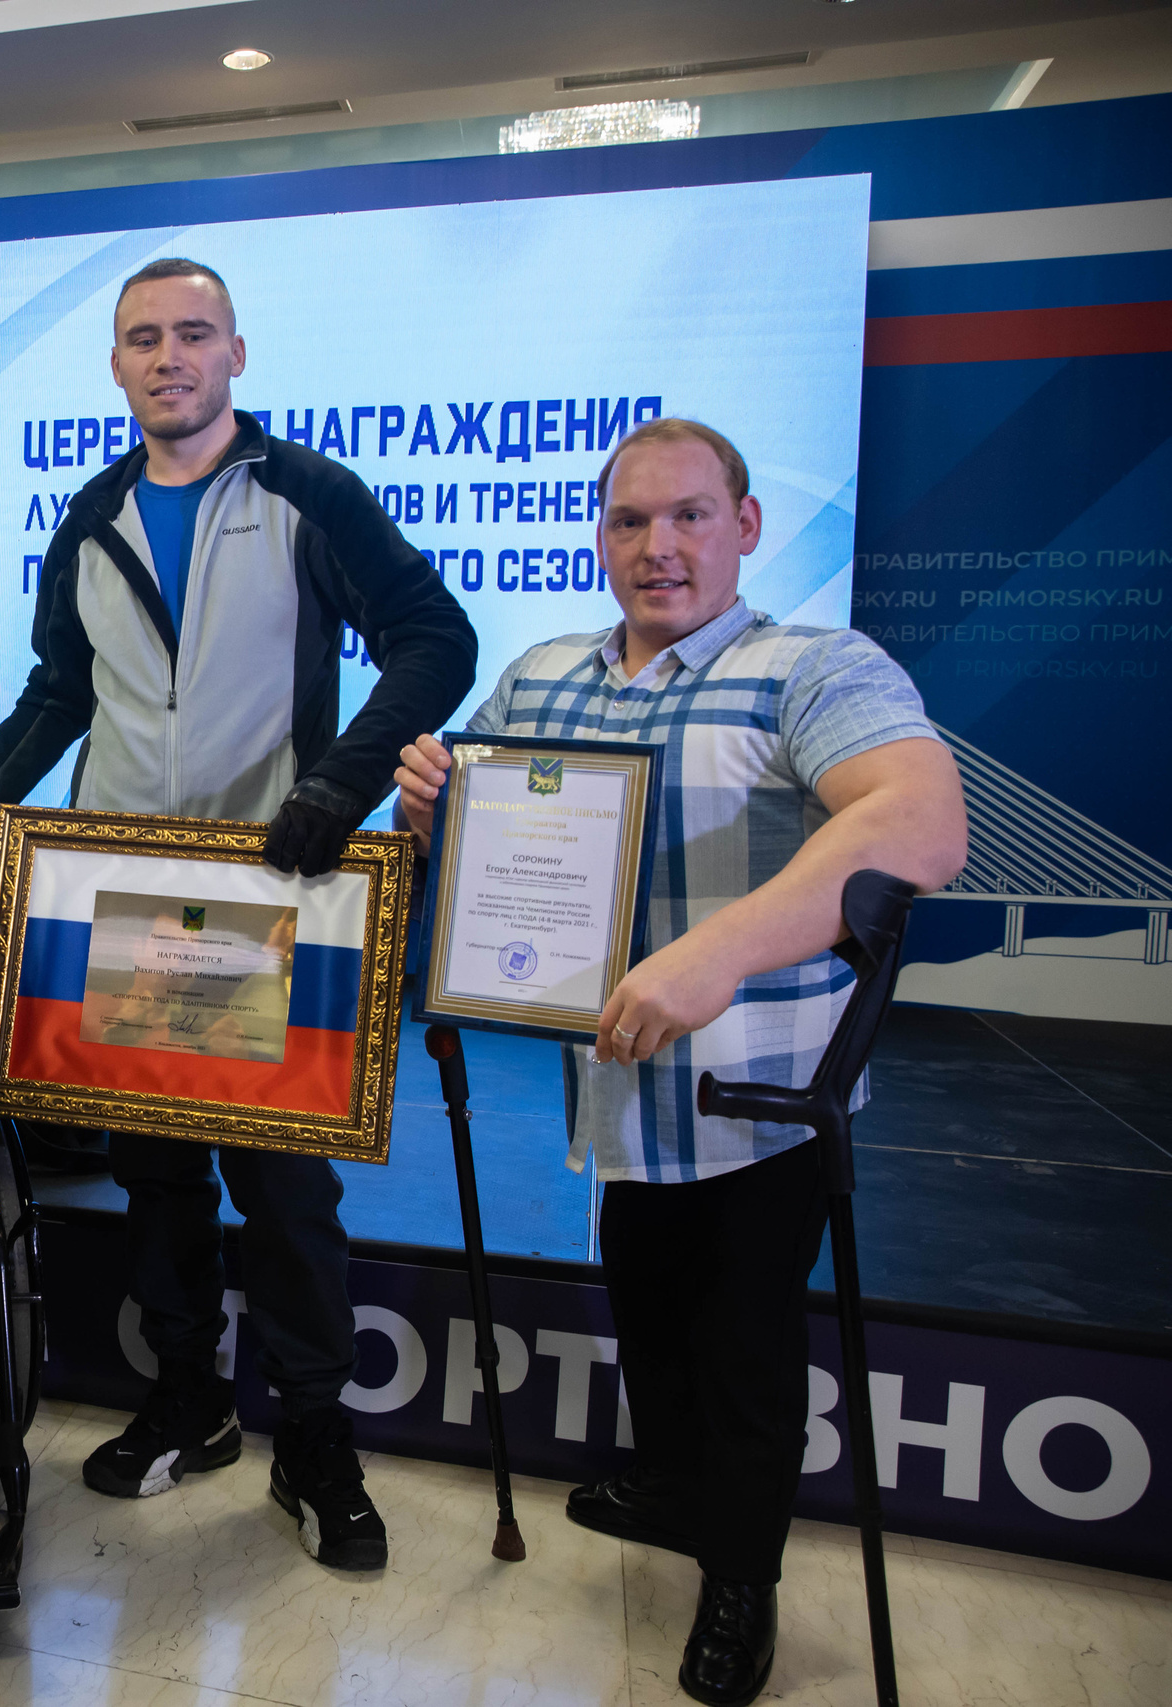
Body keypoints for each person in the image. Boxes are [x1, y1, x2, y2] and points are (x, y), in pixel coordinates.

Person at [392, 419, 967, 1707]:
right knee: (644, 1301)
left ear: (746, 526)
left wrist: (714, 956)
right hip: (614, 1088)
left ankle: (739, 1574)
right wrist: (428, 798)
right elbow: (466, 823)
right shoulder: (544, 674)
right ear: (599, 535)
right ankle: (669, 1486)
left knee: (745, 1348)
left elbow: (922, 821)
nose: (659, 549)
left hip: (759, 1096)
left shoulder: (813, 668)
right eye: (629, 522)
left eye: (690, 517)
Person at [0, 257, 477, 1570]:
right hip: (123, 899)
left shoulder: (310, 494)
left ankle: (315, 1435)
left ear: (237, 352)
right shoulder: (88, 519)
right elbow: (54, 699)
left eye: (194, 333)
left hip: (274, 896)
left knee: (286, 1189)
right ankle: (190, 1395)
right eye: (144, 338)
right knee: (156, 1174)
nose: (170, 356)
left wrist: (337, 786)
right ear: (118, 367)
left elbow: (434, 636)